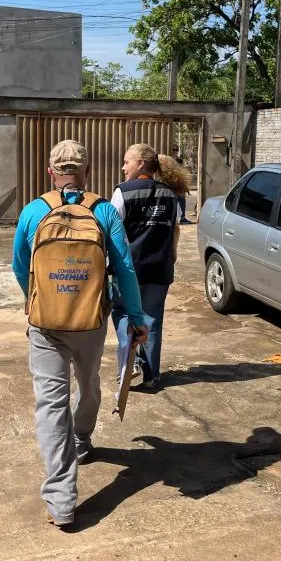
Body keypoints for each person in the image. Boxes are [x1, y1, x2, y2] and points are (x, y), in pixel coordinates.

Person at [12, 139, 148, 529]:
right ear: (86, 172)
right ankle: (82, 440)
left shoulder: (34, 211)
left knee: (51, 405)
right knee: (87, 387)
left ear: (50, 172)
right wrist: (136, 318)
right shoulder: (103, 210)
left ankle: (61, 500)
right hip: (91, 321)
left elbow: (20, 266)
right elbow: (125, 270)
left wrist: (33, 298)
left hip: (46, 325)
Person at [110, 143, 193, 390]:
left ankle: (131, 362)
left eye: (127, 162)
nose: (124, 167)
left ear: (141, 164)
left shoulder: (123, 192)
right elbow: (175, 229)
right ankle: (151, 376)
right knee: (152, 319)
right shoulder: (171, 194)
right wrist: (173, 255)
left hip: (129, 269)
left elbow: (112, 229)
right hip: (160, 267)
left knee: (123, 313)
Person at [171, 144, 193, 224]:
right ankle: (173, 218)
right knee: (172, 201)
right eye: (173, 149)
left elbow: (182, 171)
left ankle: (182, 218)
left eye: (176, 149)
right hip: (170, 183)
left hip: (178, 182)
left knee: (182, 200)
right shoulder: (168, 160)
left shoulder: (179, 160)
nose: (175, 151)